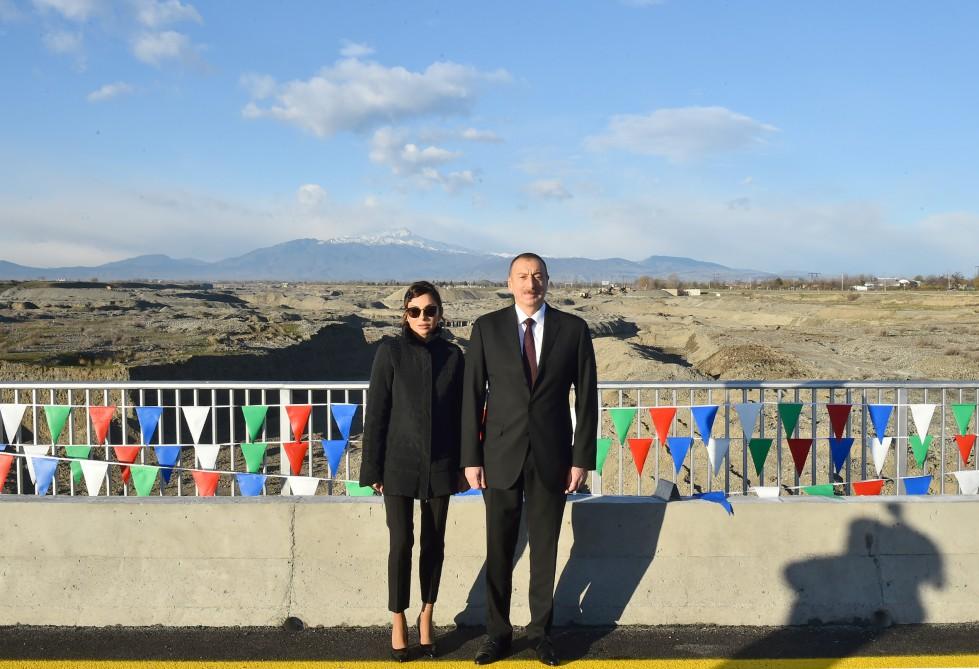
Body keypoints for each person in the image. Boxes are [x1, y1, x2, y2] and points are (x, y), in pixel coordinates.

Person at [462, 253, 598, 666]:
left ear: (548, 281)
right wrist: (471, 458)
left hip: (552, 458)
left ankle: (541, 634)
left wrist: (581, 459)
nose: (530, 283)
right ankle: (497, 634)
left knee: (545, 550)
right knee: (499, 550)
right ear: (509, 282)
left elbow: (587, 398)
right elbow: (471, 397)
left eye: (537, 276)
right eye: (522, 276)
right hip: (499, 457)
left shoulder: (573, 330)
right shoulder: (486, 329)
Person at [360, 281, 465, 662]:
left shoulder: (454, 356)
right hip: (397, 464)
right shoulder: (389, 352)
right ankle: (398, 617)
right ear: (404, 314)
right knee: (401, 542)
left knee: (434, 543)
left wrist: (462, 466)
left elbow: (461, 418)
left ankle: (427, 614)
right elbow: (377, 414)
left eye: (430, 310)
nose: (423, 317)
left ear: (440, 314)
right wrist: (371, 466)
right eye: (415, 311)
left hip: (440, 465)